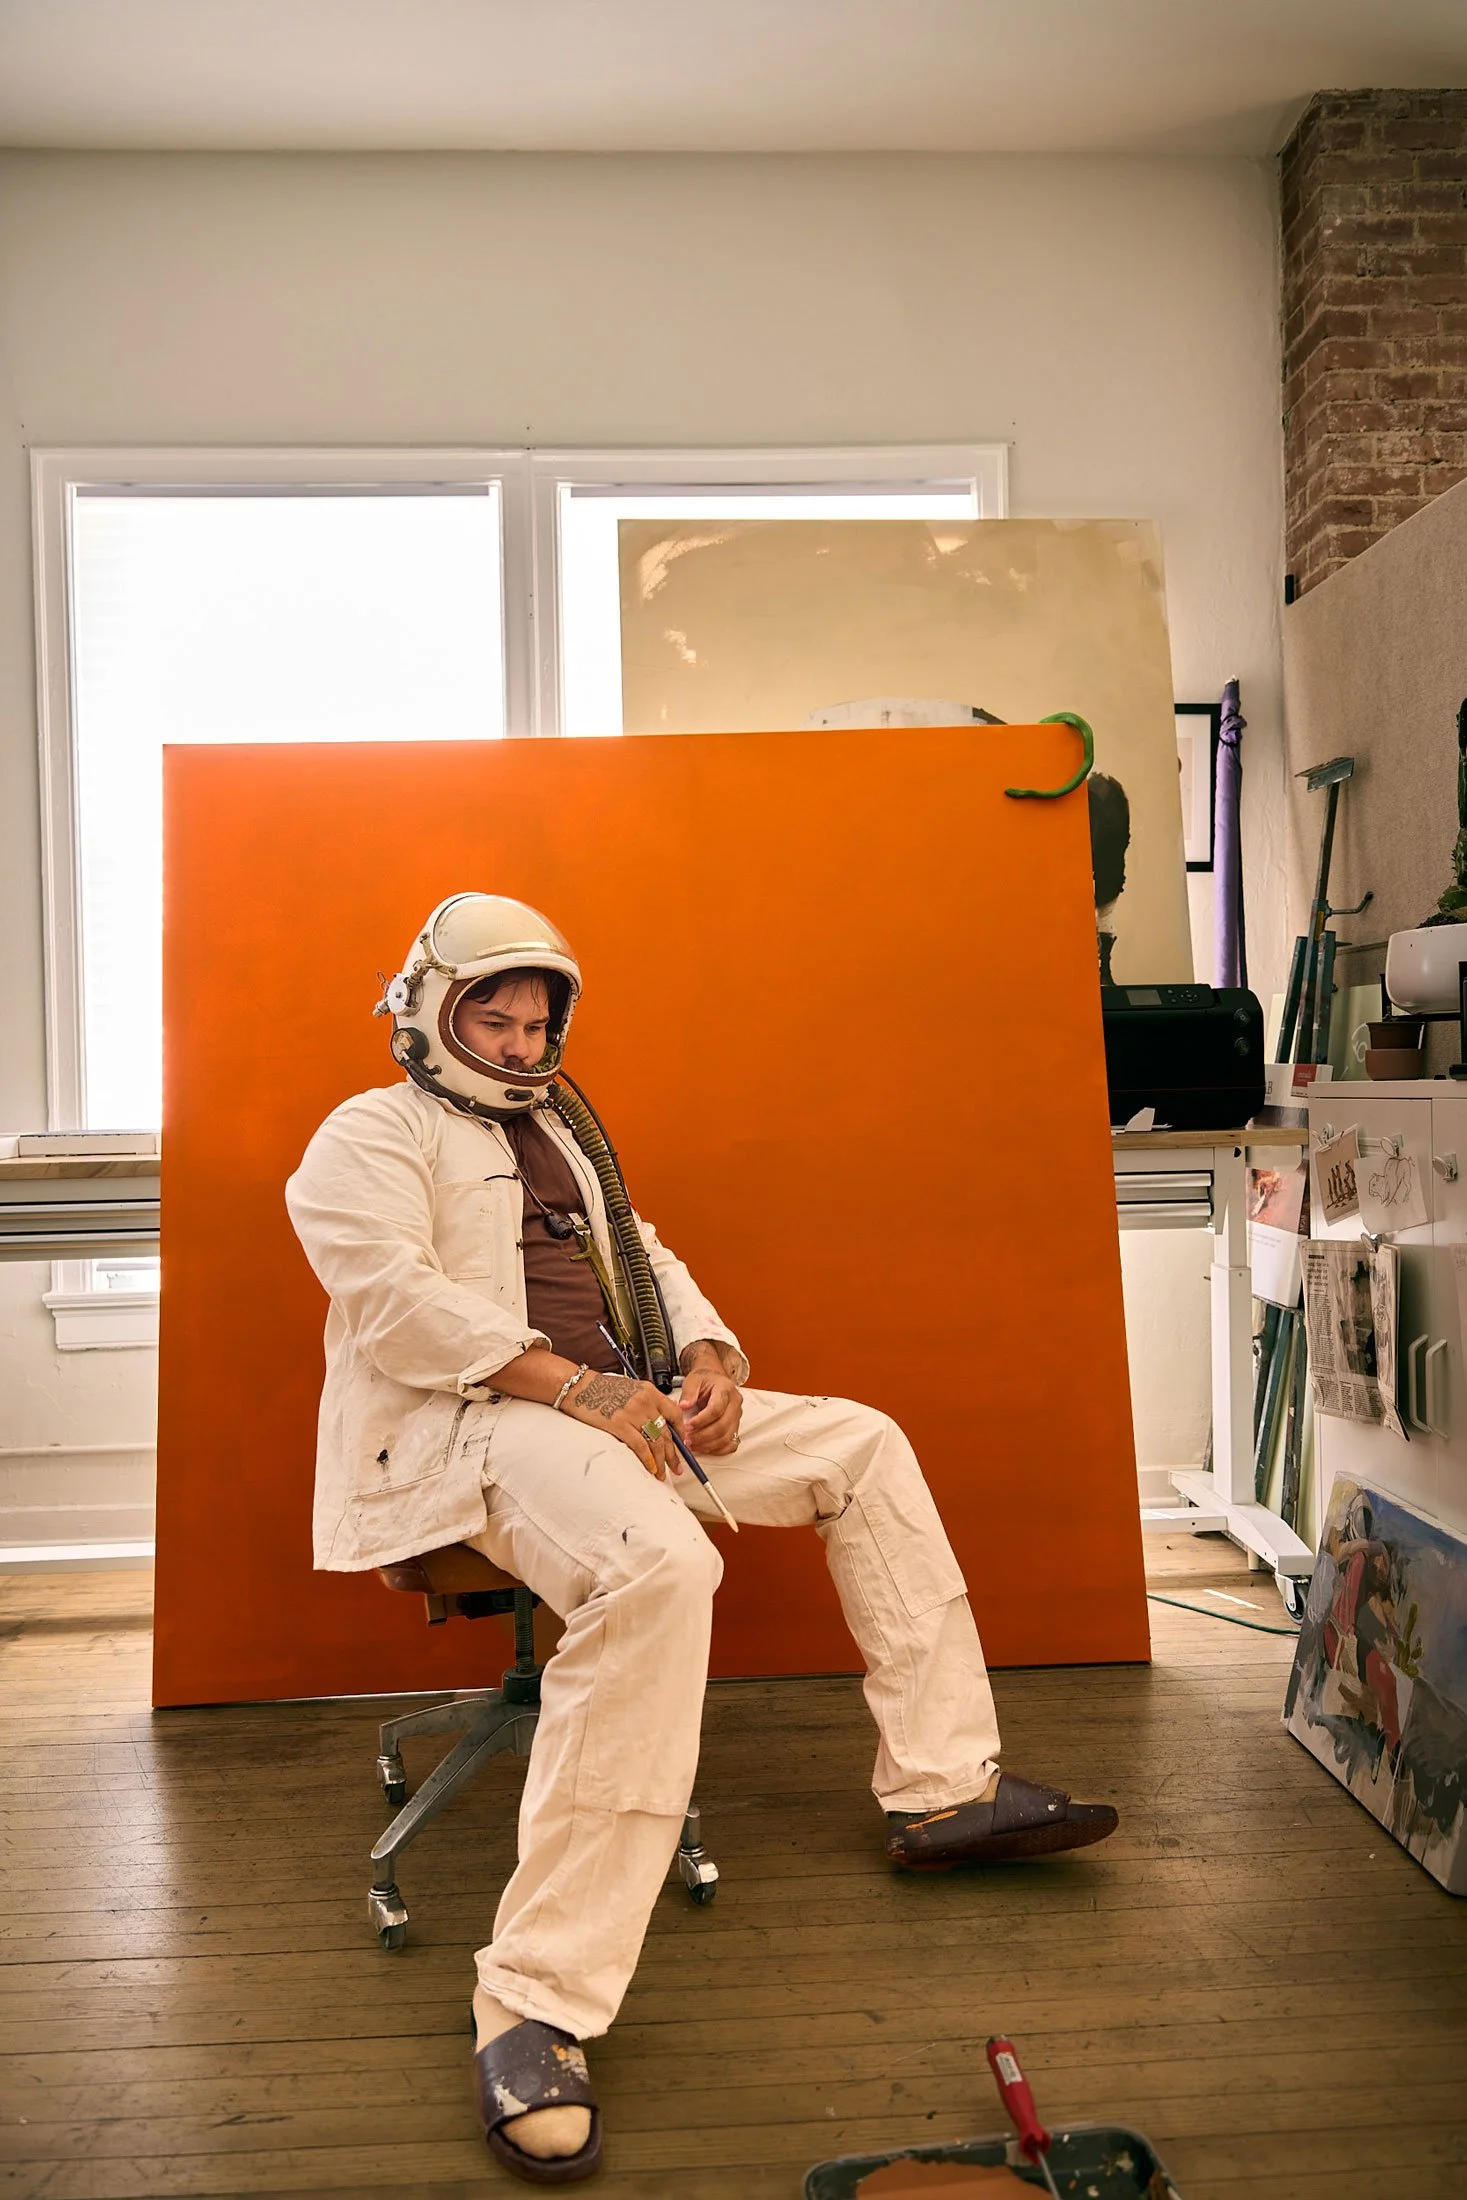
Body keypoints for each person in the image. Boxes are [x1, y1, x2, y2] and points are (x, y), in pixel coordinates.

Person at [286, 892, 1119, 2186]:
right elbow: (396, 1307)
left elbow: (644, 1254)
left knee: (861, 1441)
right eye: (490, 1020)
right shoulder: (368, 1133)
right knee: (662, 1565)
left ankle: (942, 1789)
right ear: (426, 1011)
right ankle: (533, 2000)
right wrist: (578, 1388)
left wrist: (709, 1356)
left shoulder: (561, 1130)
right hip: (472, 1428)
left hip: (620, 1411)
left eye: (534, 1021)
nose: (517, 1044)